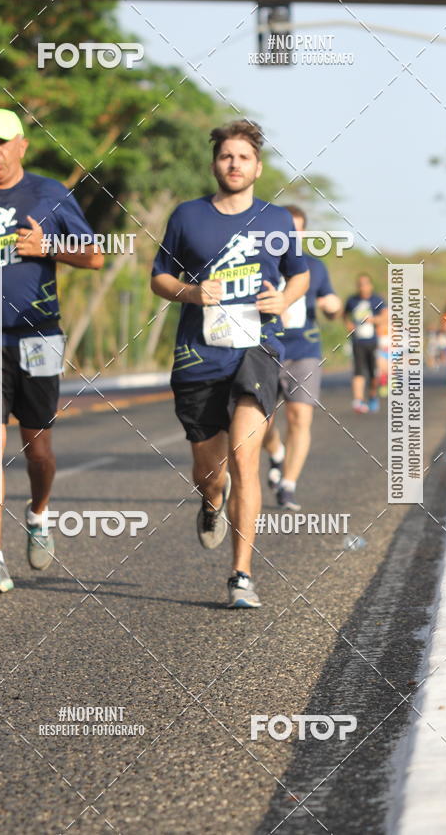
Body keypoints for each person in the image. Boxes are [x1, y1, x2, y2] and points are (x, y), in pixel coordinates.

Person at [0, 108, 103, 594]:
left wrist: (47, 246)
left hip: (39, 337)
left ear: (20, 145)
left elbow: (94, 256)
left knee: (38, 448)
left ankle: (38, 514)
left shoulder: (49, 192)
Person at [151, 119, 309, 608]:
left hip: (256, 353)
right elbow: (159, 278)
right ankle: (211, 498)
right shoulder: (187, 216)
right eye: (226, 156)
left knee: (245, 457)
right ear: (215, 163)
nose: (234, 163)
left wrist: (282, 301)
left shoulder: (277, 220)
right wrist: (192, 292)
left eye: (243, 157)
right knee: (210, 468)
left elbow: (298, 276)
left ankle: (241, 574)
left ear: (257, 167)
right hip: (198, 357)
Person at [262, 206, 342, 509]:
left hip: (304, 350)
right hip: (265, 349)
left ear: (303, 233)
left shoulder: (314, 267)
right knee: (260, 422)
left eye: (295, 229)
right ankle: (276, 452)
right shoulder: (261, 263)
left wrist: (333, 307)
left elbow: (329, 302)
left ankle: (288, 485)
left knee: (300, 418)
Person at [343, 274, 386, 413]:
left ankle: (373, 395)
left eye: (365, 284)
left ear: (370, 285)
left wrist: (374, 320)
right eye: (360, 284)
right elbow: (344, 314)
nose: (362, 287)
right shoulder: (352, 300)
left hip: (372, 341)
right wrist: (348, 324)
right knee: (358, 371)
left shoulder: (377, 300)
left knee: (373, 373)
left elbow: (385, 316)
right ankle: (358, 400)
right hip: (357, 341)